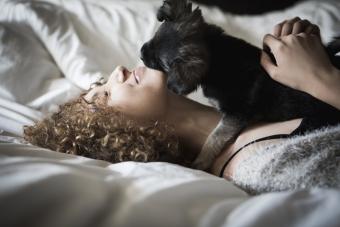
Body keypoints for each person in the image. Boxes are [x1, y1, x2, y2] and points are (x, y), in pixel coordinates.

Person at [24, 17, 340, 193]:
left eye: (101, 85)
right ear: (119, 136)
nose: (116, 72)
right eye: (105, 95)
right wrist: (322, 79)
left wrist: (315, 54)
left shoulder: (261, 101)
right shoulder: (259, 168)